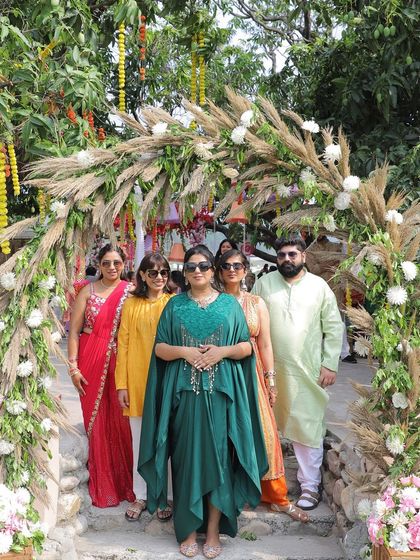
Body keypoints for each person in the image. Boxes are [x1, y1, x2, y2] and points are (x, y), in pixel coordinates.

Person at [139, 245, 268, 559]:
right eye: (191, 266)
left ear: (213, 270)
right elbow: (160, 351)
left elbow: (246, 349)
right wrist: (184, 352)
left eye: (204, 266)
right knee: (185, 463)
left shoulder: (229, 306)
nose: (198, 271)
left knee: (220, 464)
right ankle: (186, 530)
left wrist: (221, 352)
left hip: (221, 397)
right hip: (184, 399)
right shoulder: (174, 307)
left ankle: (211, 532)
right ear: (184, 272)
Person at [217, 249, 308, 522]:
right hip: (221, 373)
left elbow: (265, 343)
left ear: (246, 270)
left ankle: (276, 497)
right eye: (226, 266)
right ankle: (230, 494)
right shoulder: (214, 302)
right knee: (224, 434)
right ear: (219, 271)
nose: (232, 270)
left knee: (265, 432)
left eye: (237, 265)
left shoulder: (257, 303)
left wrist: (270, 380)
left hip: (252, 373)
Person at [253, 236, 343, 511]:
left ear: (303, 256)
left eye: (292, 254)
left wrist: (329, 363)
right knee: (264, 427)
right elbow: (252, 318)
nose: (286, 259)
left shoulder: (319, 287)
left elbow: (333, 326)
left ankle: (309, 487)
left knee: (307, 428)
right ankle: (262, 484)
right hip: (269, 370)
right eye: (281, 255)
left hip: (307, 372)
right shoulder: (264, 284)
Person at [68, 244, 135, 508]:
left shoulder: (130, 292)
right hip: (90, 359)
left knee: (121, 422)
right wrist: (73, 367)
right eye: (106, 262)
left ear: (124, 264)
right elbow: (73, 332)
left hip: (120, 362)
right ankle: (102, 486)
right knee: (95, 422)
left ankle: (124, 485)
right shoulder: (88, 291)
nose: (111, 267)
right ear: (99, 263)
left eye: (116, 263)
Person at [115, 252, 173, 522]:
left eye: (163, 273)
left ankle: (166, 496)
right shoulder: (131, 304)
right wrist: (121, 384)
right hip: (137, 379)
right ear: (142, 275)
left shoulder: (175, 303)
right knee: (140, 439)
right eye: (153, 273)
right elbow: (123, 345)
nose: (159, 278)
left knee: (168, 438)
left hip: (168, 379)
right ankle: (141, 496)